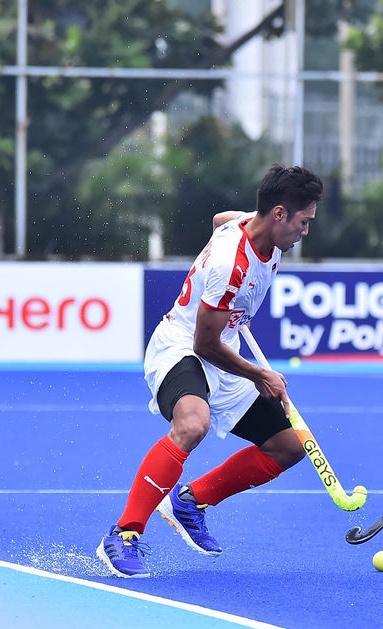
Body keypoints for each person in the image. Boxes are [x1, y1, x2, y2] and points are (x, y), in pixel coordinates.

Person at [96, 165, 323, 578]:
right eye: (303, 222)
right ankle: (123, 534)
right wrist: (260, 375)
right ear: (278, 214)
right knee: (192, 424)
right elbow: (203, 344)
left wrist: (233, 319)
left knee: (289, 446)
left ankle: (190, 502)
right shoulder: (230, 266)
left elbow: (222, 220)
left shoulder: (252, 226)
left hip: (223, 349)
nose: (305, 232)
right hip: (181, 348)